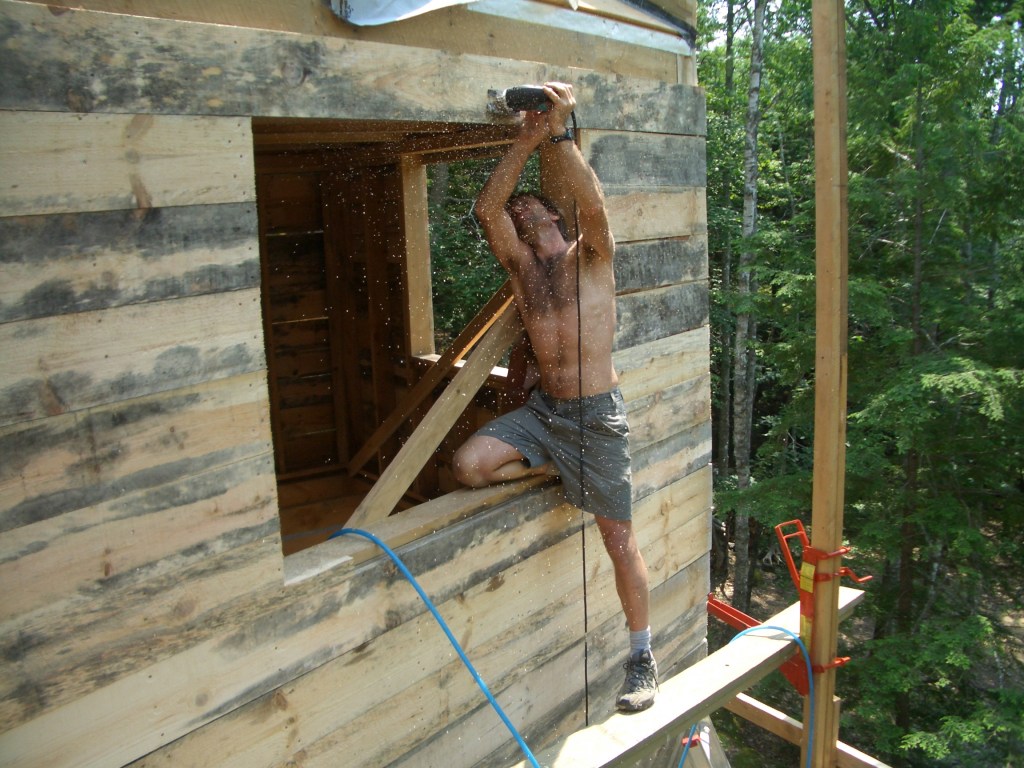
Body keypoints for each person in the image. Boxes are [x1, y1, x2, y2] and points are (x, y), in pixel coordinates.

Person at [452, 82, 658, 712]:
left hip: (597, 417)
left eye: (531, 204)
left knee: (619, 541)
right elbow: (486, 207)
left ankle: (642, 658)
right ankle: (557, 470)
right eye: (516, 211)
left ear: (553, 215)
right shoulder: (524, 271)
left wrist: (561, 136)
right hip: (546, 415)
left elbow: (594, 205)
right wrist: (524, 140)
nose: (518, 210)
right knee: (468, 467)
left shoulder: (590, 257)